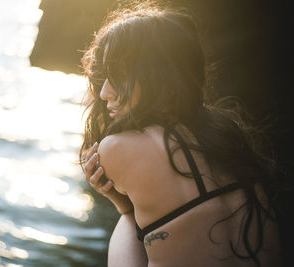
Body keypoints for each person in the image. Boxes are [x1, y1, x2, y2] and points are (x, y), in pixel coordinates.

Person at [79, 2, 281, 266]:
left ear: (157, 77)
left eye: (118, 75)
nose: (105, 92)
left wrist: (124, 208)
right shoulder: (226, 132)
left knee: (130, 220)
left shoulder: (117, 149)